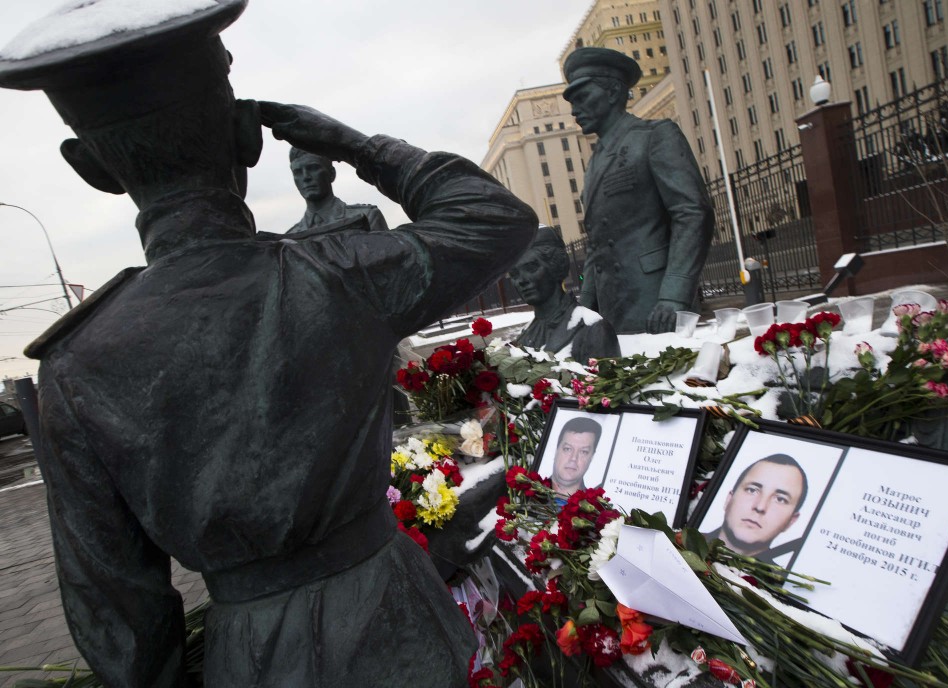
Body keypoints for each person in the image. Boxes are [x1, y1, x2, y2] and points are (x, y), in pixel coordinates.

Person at [0, 2, 536, 686]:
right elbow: (495, 218)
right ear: (247, 135)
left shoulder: (74, 366)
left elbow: (117, 613)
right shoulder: (339, 274)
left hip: (250, 661)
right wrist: (359, 147)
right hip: (399, 626)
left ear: (89, 167)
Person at [562, 47, 714, 334]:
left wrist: (674, 295)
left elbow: (692, 213)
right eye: (572, 102)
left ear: (613, 92)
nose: (574, 110)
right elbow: (596, 245)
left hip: (657, 302)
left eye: (582, 97)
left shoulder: (655, 136)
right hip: (614, 307)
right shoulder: (594, 163)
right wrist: (587, 307)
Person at [510, 225, 620, 361]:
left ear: (555, 266)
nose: (521, 280)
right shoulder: (524, 335)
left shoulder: (594, 330)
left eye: (531, 268)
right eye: (514, 274)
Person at [702, 454, 809, 563]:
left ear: (791, 521)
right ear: (729, 499)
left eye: (780, 499)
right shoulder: (690, 539)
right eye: (752, 490)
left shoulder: (779, 574)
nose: (760, 507)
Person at [286, 146, 389, 234]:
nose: (306, 177)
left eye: (313, 168)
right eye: (298, 172)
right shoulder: (291, 237)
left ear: (332, 174)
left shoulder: (367, 218)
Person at [551, 416, 603, 497]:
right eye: (567, 449)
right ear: (556, 450)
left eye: (583, 452)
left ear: (592, 457)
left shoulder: (596, 503)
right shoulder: (532, 488)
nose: (573, 458)